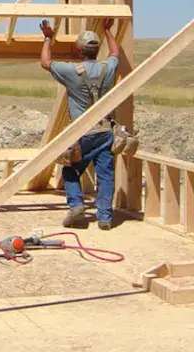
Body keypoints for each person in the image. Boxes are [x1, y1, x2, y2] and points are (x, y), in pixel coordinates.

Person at [40, 17, 120, 230]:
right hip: (105, 131)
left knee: (70, 171)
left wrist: (48, 39)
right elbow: (115, 54)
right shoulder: (107, 69)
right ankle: (104, 218)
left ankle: (76, 206)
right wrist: (107, 31)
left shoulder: (71, 71)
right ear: (96, 50)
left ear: (78, 51)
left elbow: (46, 63)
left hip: (83, 133)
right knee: (105, 175)